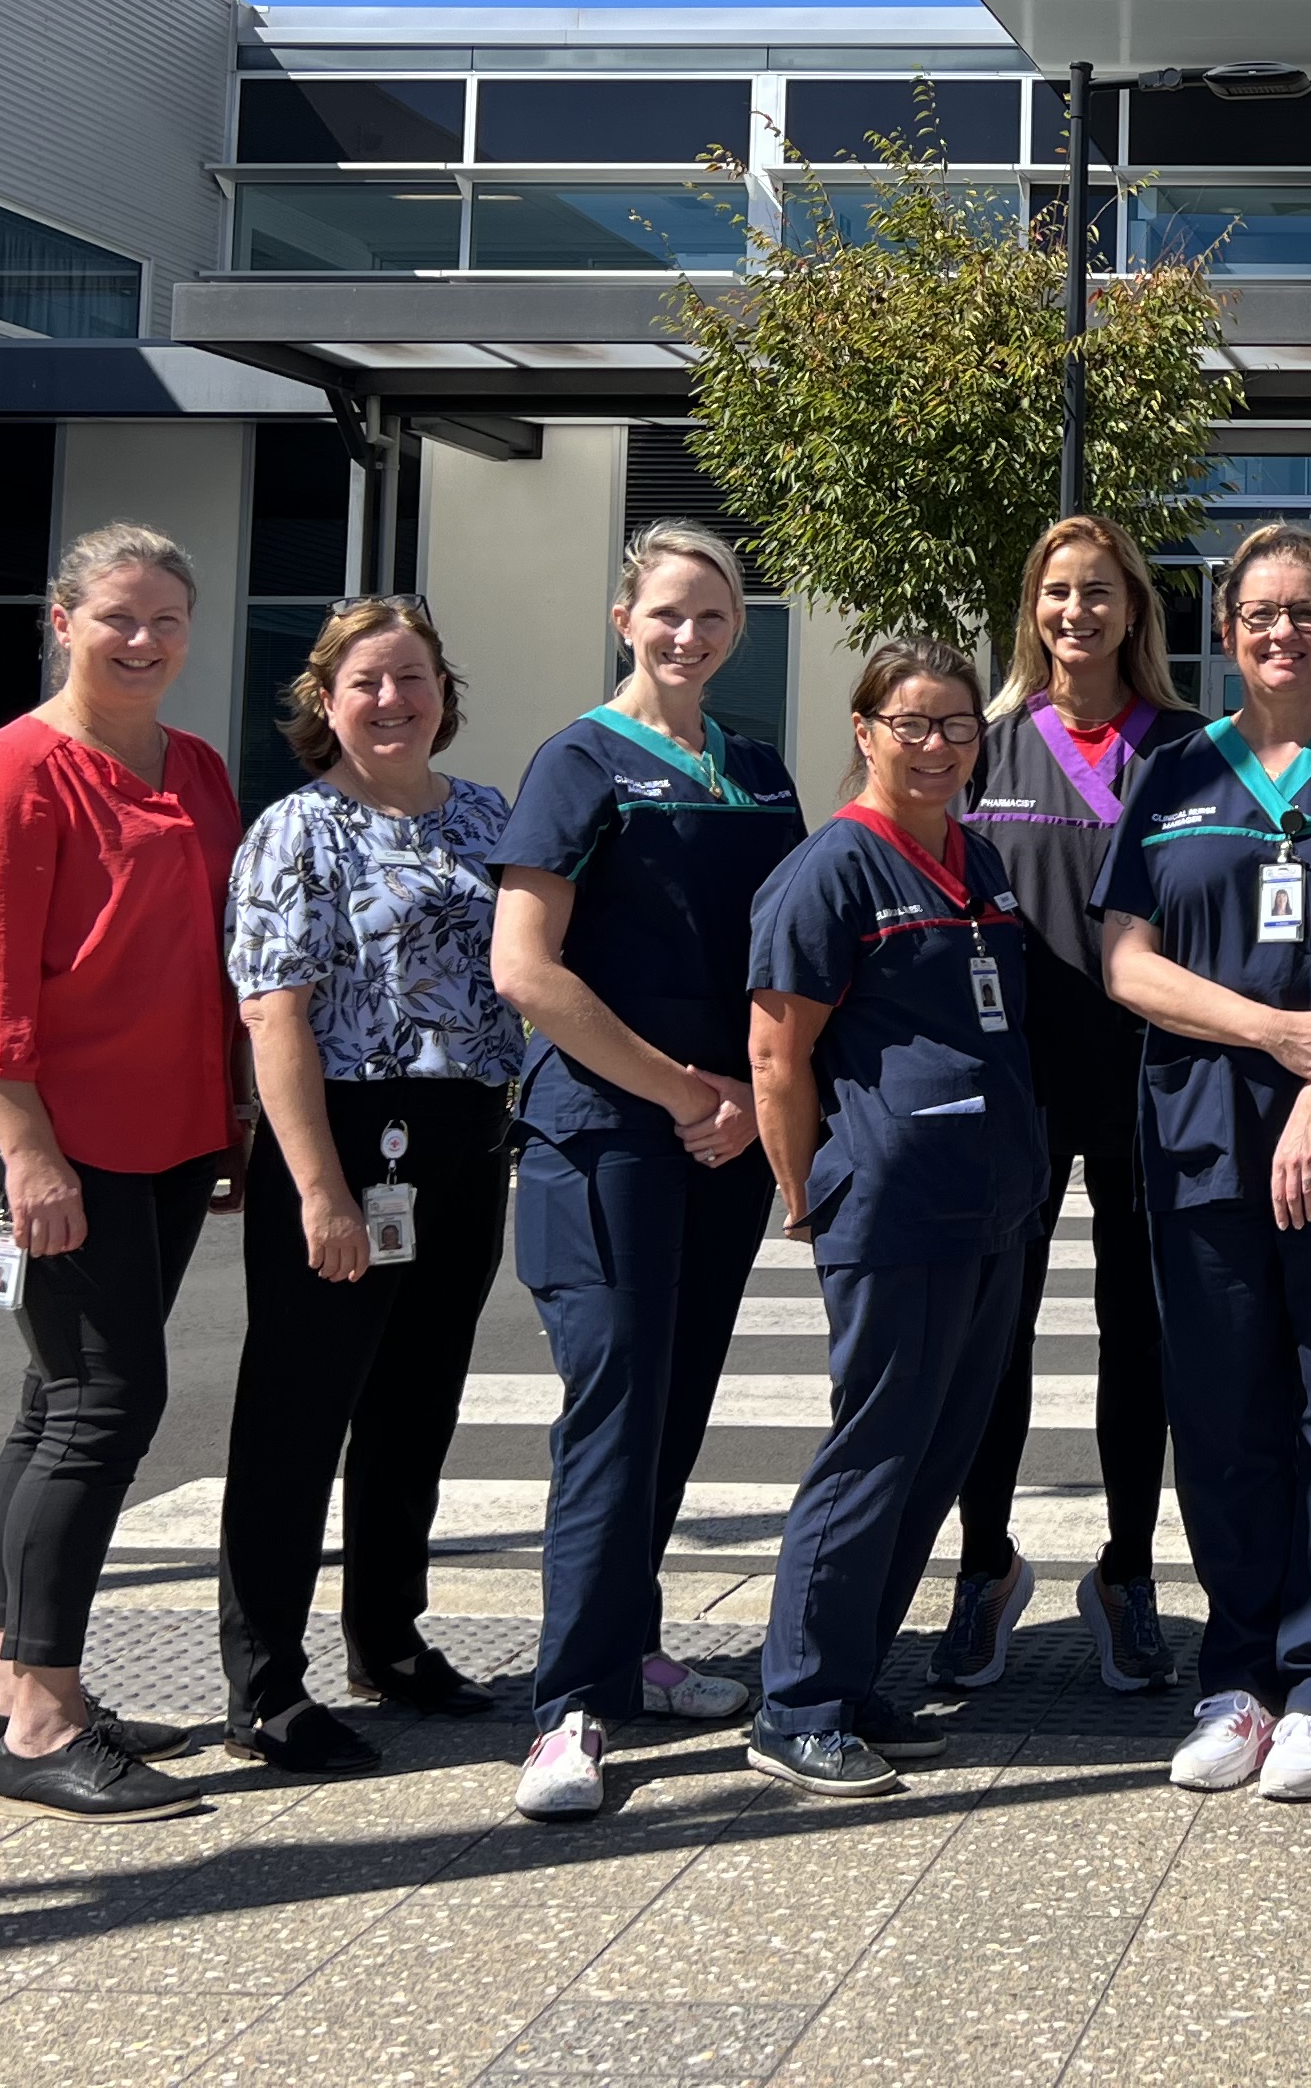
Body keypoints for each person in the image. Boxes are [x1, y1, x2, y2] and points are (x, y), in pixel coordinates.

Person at [491, 522, 806, 1821]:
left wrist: (763, 1116)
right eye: (668, 612)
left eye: (715, 615)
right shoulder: (577, 763)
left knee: (673, 1411)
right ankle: (565, 1708)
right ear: (626, 617)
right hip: (614, 1138)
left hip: (722, 1140)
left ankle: (627, 1653)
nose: (691, 634)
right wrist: (683, 1092)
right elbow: (527, 969)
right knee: (612, 1417)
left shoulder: (758, 769)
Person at [0, 522, 240, 1823]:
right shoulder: (8, 776)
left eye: (167, 618)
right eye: (119, 615)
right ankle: (47, 1721)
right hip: (48, 1143)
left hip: (165, 1136)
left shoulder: (201, 771)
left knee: (53, 1403)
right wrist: (28, 1157)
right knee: (107, 1402)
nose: (144, 639)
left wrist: (224, 1118)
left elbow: (207, 956)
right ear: (63, 620)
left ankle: (8, 1682)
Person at [1098, 526, 1311, 1805]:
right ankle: (1240, 1675)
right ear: (1226, 633)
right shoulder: (1172, 774)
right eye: (1258, 613)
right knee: (1222, 1411)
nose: (1282, 631)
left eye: (1307, 609)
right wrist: (1272, 1031)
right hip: (1204, 1136)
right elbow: (1125, 959)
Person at [741, 640, 1054, 1796]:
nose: (936, 747)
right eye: (911, 725)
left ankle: (856, 1673)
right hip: (892, 1205)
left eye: (957, 727)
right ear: (865, 730)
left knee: (937, 1452)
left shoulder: (976, 862)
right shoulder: (833, 869)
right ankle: (798, 1702)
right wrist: (801, 1191)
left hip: (990, 1207)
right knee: (872, 1451)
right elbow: (779, 1052)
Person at [216, 595, 521, 1772]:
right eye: (367, 684)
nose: (393, 701)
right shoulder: (297, 832)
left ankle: (388, 1639)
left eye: (413, 680)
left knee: (414, 1407)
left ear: (444, 694)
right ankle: (265, 1685)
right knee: (298, 1415)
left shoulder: (490, 816)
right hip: (345, 1137)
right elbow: (273, 1015)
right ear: (325, 704)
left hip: (463, 1141)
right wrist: (318, 1189)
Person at [936, 513, 1205, 1696]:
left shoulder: (1193, 750)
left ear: (1135, 609)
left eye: (1100, 592)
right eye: (1055, 593)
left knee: (1140, 1335)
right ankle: (984, 1564)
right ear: (1030, 610)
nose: (1076, 613)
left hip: (1156, 1078)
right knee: (995, 1328)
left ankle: (1129, 1571)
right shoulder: (984, 752)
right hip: (1018, 1088)